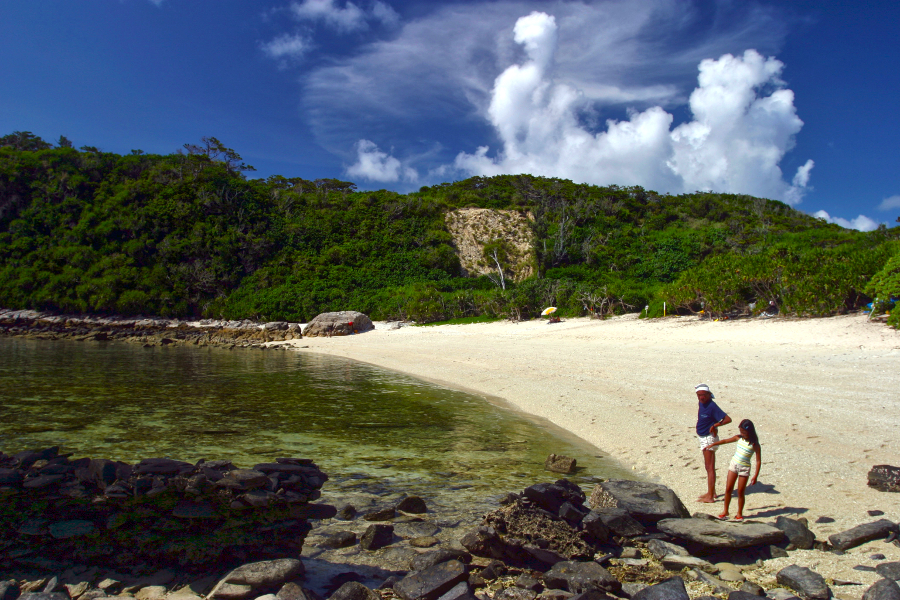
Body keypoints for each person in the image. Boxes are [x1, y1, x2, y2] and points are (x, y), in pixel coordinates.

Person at [705, 419, 762, 521]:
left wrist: (755, 476)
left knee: (740, 491)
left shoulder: (755, 444)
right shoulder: (738, 438)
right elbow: (725, 441)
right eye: (741, 432)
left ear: (750, 431)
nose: (742, 434)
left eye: (744, 432)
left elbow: (758, 461)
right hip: (734, 465)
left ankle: (739, 513)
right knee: (728, 489)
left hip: (744, 468)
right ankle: (725, 511)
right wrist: (713, 444)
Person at [695, 383, 732, 503]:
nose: (701, 397)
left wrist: (715, 425)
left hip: (709, 438)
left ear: (709, 394)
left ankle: (710, 497)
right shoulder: (701, 403)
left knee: (710, 467)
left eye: (703, 395)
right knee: (708, 466)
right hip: (703, 437)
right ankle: (712, 492)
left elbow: (728, 419)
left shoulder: (712, 406)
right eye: (699, 395)